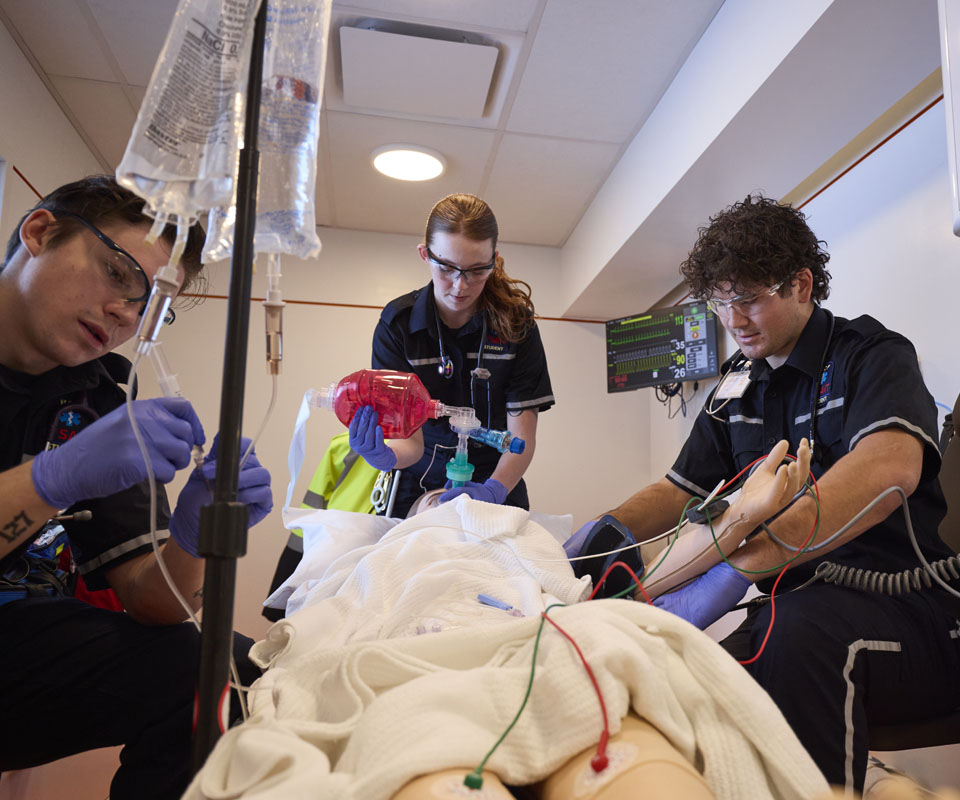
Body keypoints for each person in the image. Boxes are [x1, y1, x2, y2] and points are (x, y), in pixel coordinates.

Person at [567, 195, 960, 793]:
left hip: (907, 605)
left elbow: (891, 467)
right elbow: (678, 490)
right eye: (720, 302)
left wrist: (746, 557)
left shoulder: (872, 355)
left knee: (796, 637)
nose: (733, 319)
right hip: (790, 599)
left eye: (749, 298)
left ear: (801, 285)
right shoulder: (734, 387)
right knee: (689, 673)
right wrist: (598, 543)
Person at [188, 440, 828, 800]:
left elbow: (645, 580)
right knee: (435, 767)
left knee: (632, 757)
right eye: (432, 494)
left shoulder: (527, 536)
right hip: (418, 660)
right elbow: (327, 623)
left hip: (547, 649)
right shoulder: (381, 546)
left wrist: (742, 514)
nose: (449, 494)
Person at [0, 175, 273, 799]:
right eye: (119, 274)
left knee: (227, 671)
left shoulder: (95, 396)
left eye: (151, 305)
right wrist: (52, 477)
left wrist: (194, 537)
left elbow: (155, 604)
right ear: (41, 232)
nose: (127, 313)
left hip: (18, 645)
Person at [352, 193, 555, 518]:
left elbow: (521, 439)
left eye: (477, 270)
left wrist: (494, 490)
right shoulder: (398, 327)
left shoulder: (517, 326)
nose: (461, 285)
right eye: (447, 268)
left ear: (494, 259)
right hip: (417, 477)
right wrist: (384, 456)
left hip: (498, 475)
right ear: (425, 254)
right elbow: (410, 444)